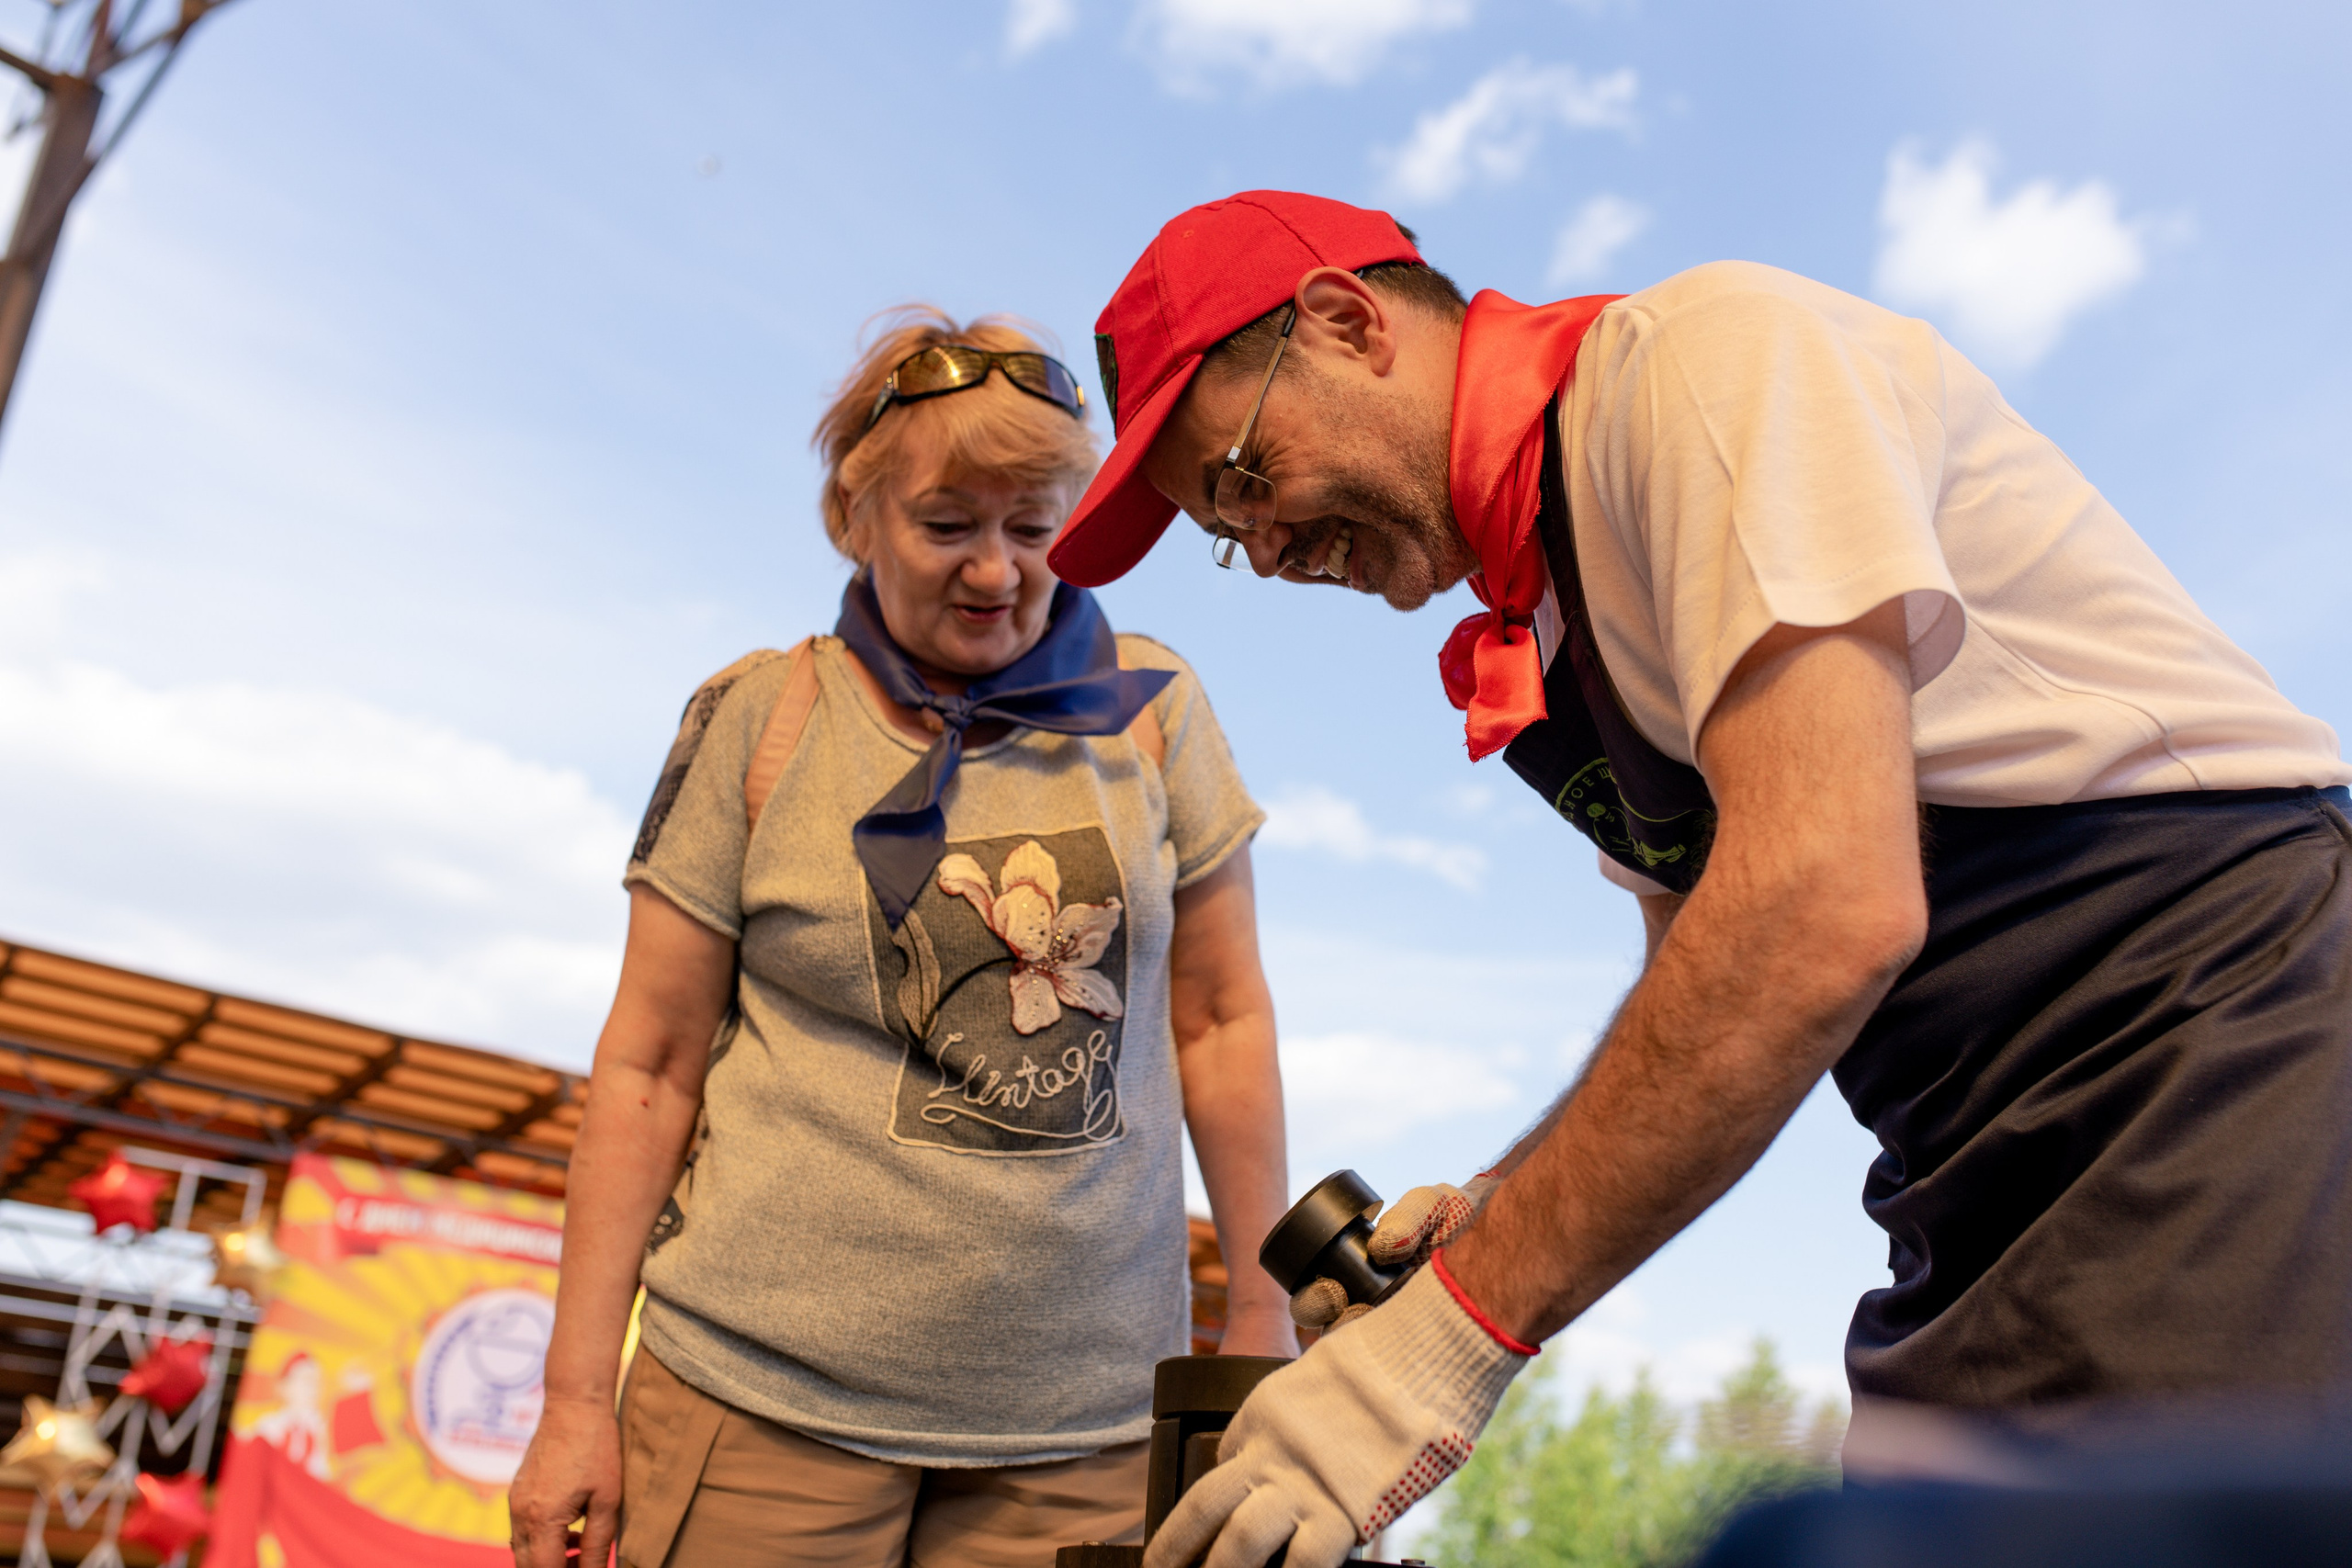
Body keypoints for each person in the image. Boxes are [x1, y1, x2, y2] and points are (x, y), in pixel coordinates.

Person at [1045, 191, 2352, 1568]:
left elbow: (1820, 904)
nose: (1264, 549)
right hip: (1971, 1152)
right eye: (1224, 530)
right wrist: (1493, 1207)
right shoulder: (1556, 617)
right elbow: (1708, 979)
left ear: (1346, 322)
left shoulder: (1700, 367)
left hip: (2204, 1039)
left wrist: (1427, 1356)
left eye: (1244, 475)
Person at [508, 307, 1298, 1568]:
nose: (995, 572)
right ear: (854, 516)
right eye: (947, 527)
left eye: (1033, 530)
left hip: (1083, 1439)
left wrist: (1261, 1309)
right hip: (757, 1410)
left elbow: (1221, 1020)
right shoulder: (760, 717)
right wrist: (569, 1403)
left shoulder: (1154, 714)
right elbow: (647, 1069)